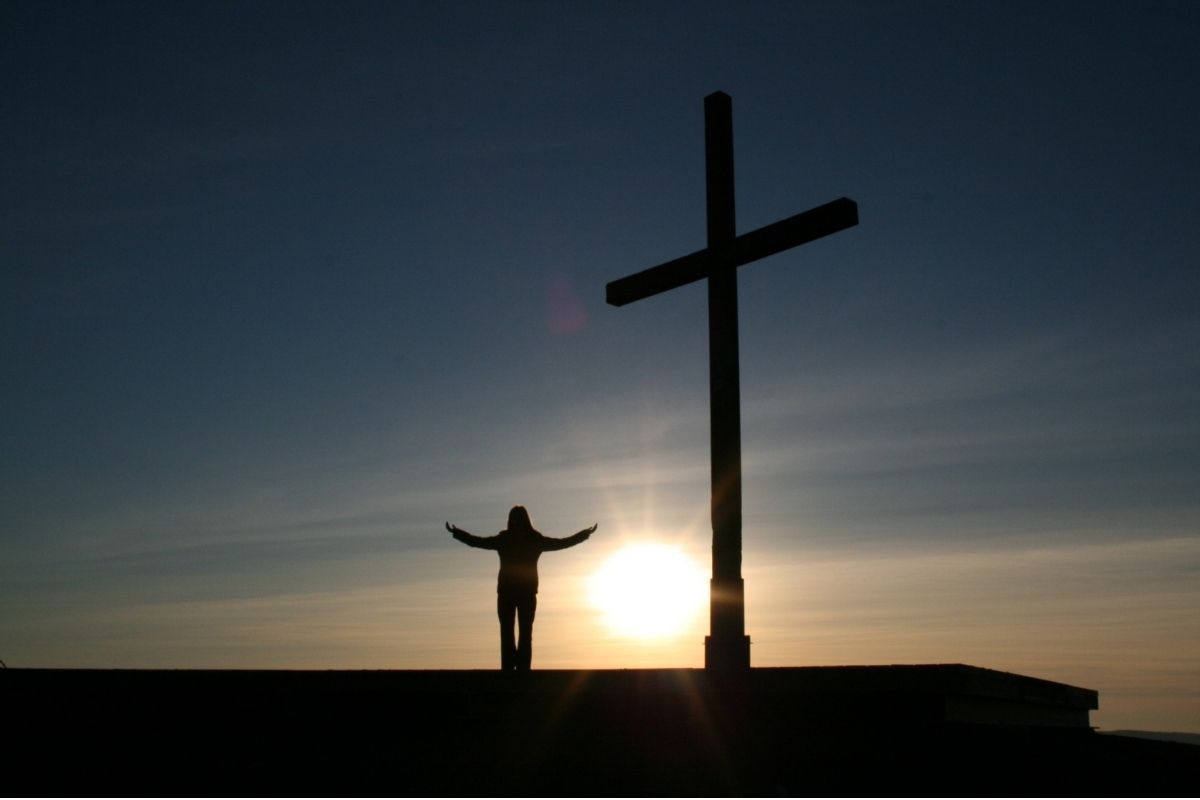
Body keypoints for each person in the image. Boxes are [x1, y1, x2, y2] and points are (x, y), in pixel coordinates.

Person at [447, 506, 596, 671]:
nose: (515, 522)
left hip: (526, 593)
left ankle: (523, 671)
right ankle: (509, 671)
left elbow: (561, 543)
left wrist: (583, 535)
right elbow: (479, 542)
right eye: (513, 518)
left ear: (524, 520)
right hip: (506, 593)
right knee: (507, 634)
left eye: (518, 518)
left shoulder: (534, 540)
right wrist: (458, 533)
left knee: (525, 634)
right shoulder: (505, 539)